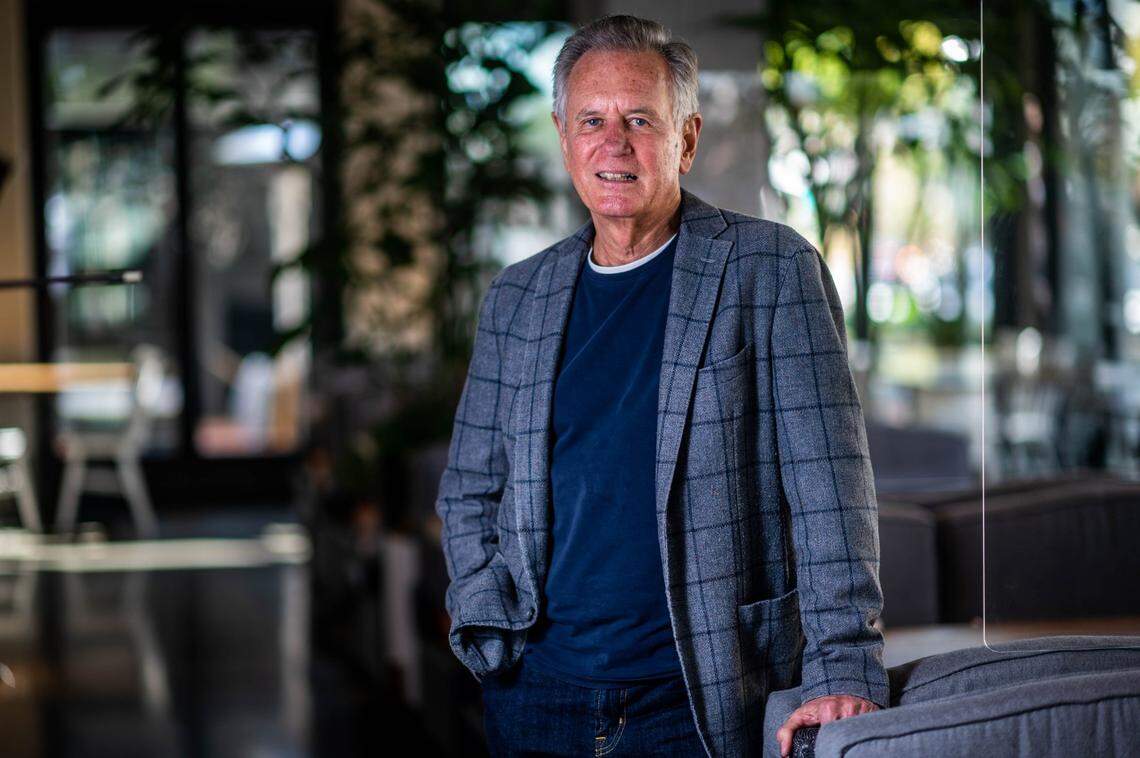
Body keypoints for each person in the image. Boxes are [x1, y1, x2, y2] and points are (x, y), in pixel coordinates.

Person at [435, 14, 887, 757]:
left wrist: (844, 663)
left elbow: (829, 491)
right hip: (537, 696)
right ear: (562, 137)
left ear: (686, 138)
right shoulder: (518, 295)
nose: (614, 144)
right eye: (592, 121)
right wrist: (485, 612)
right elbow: (470, 488)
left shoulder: (770, 272)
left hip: (702, 694)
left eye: (640, 119)